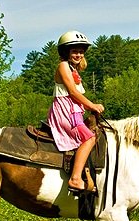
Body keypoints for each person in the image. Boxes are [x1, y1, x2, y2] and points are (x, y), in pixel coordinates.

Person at [47, 30, 105, 194]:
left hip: (74, 112)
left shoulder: (74, 69)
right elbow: (72, 93)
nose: (78, 54)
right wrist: (92, 105)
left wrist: (89, 108)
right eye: (74, 51)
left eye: (81, 51)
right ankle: (75, 178)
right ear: (66, 52)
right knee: (89, 138)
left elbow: (77, 97)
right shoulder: (63, 66)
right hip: (65, 112)